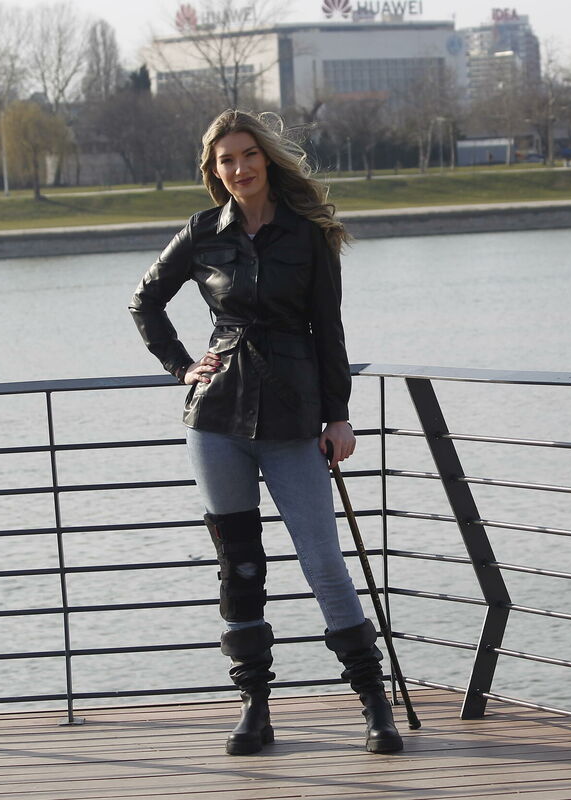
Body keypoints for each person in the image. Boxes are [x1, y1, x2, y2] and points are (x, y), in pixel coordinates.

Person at [129, 109, 402, 756]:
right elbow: (145, 301)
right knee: (241, 565)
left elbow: (328, 331)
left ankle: (374, 704)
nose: (240, 168)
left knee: (323, 562)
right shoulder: (201, 232)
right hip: (216, 418)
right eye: (226, 160)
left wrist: (338, 415)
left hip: (292, 415)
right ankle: (254, 707)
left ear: (266, 159)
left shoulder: (307, 236)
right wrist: (182, 367)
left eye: (248, 154)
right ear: (214, 170)